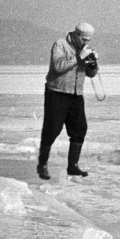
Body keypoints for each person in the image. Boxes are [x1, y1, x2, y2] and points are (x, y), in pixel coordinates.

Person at [37, 22, 99, 180]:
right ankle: (42, 164)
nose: (86, 42)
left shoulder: (84, 49)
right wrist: (79, 57)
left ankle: (73, 166)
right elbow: (58, 66)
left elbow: (91, 74)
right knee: (52, 129)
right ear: (76, 35)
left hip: (76, 94)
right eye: (84, 39)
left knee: (80, 129)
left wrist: (93, 63)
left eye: (89, 40)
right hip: (57, 92)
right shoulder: (60, 44)